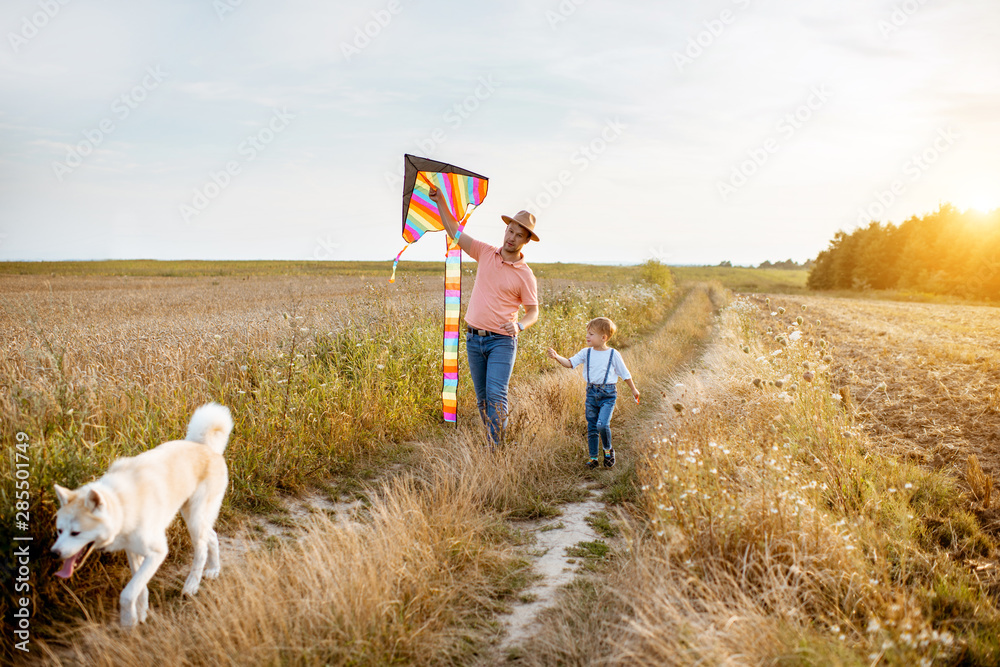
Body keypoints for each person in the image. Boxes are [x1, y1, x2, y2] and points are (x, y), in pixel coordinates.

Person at [428, 186, 539, 446]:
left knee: (496, 395)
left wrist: (520, 326)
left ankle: (494, 450)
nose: (512, 237)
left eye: (518, 235)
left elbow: (533, 311)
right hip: (473, 339)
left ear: (525, 241)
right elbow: (455, 232)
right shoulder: (486, 253)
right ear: (506, 230)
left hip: (502, 341)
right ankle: (493, 441)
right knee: (482, 398)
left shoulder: (525, 274)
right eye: (510, 231)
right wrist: (441, 200)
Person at [547, 317, 639, 468]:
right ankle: (593, 458)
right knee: (592, 427)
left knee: (602, 425)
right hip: (591, 393)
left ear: (603, 338)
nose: (587, 336)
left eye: (591, 334)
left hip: (608, 395)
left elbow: (625, 373)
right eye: (587, 333)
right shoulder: (586, 352)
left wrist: (634, 389)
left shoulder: (613, 354)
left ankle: (608, 450)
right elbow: (570, 364)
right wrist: (557, 357)